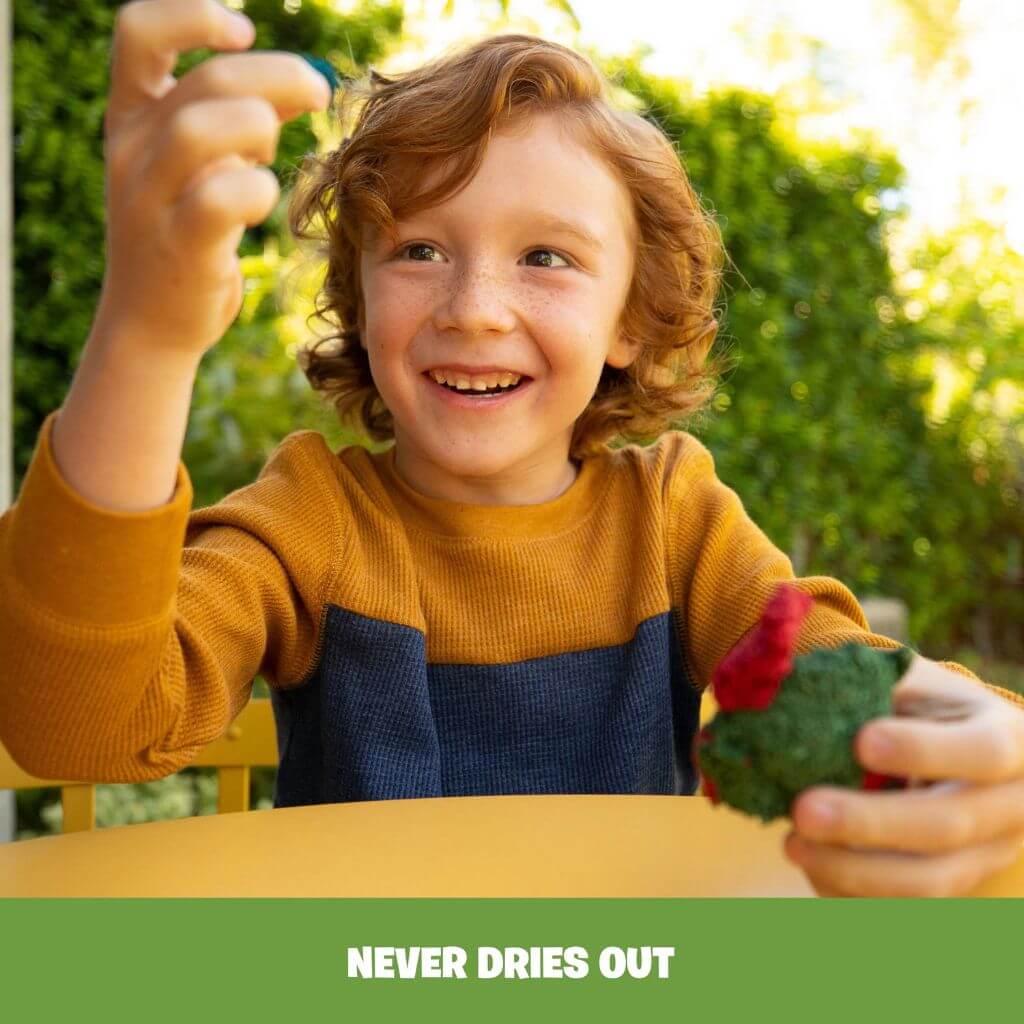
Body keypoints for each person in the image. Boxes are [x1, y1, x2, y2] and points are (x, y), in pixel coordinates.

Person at [1, 0, 1022, 897]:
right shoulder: (312, 517)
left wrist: (968, 740)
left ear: (631, 319)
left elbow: (835, 679)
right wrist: (146, 334)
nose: (475, 310)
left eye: (546, 256)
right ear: (359, 303)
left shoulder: (673, 516)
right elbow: (80, 726)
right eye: (418, 249)